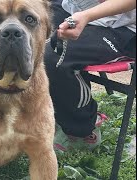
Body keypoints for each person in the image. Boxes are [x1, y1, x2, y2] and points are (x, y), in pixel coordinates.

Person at [44, 0, 136, 151]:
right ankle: (38, 113)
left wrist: (87, 16)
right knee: (22, 29)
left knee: (52, 57)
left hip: (121, 27)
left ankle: (82, 131)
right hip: (74, 8)